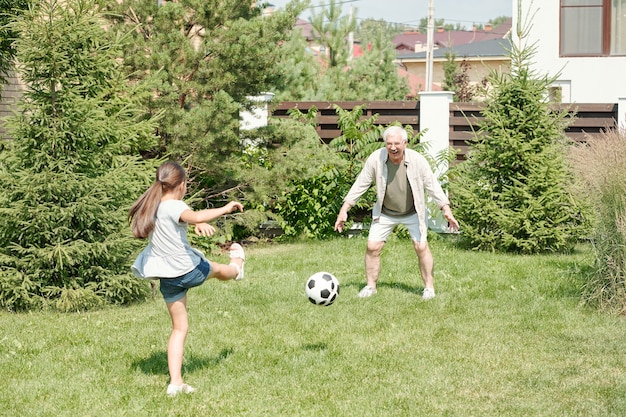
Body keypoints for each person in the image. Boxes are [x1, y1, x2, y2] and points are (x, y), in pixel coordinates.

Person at [128, 161, 245, 396]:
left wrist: (198, 223)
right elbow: (194, 214)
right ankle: (237, 266)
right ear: (181, 185)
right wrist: (226, 208)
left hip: (168, 278)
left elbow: (186, 219)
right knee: (217, 269)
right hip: (188, 270)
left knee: (179, 329)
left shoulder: (154, 206)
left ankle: (175, 383)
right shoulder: (175, 205)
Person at [334, 126, 459, 300]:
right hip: (385, 212)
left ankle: (429, 289)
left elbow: (432, 186)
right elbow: (360, 184)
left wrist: (446, 209)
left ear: (405, 143)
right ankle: (371, 287)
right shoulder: (375, 159)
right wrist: (344, 210)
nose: (393, 147)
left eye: (396, 143)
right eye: (389, 143)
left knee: (421, 247)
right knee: (372, 247)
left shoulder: (417, 160)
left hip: (413, 212)